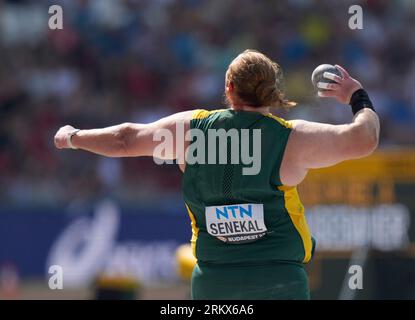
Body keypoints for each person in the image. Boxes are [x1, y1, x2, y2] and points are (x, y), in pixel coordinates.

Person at [54, 50, 380, 299]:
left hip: (213, 285)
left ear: (229, 87)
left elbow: (125, 139)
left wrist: (73, 136)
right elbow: (364, 139)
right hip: (279, 283)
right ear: (272, 92)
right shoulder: (291, 139)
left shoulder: (191, 130)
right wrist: (356, 96)